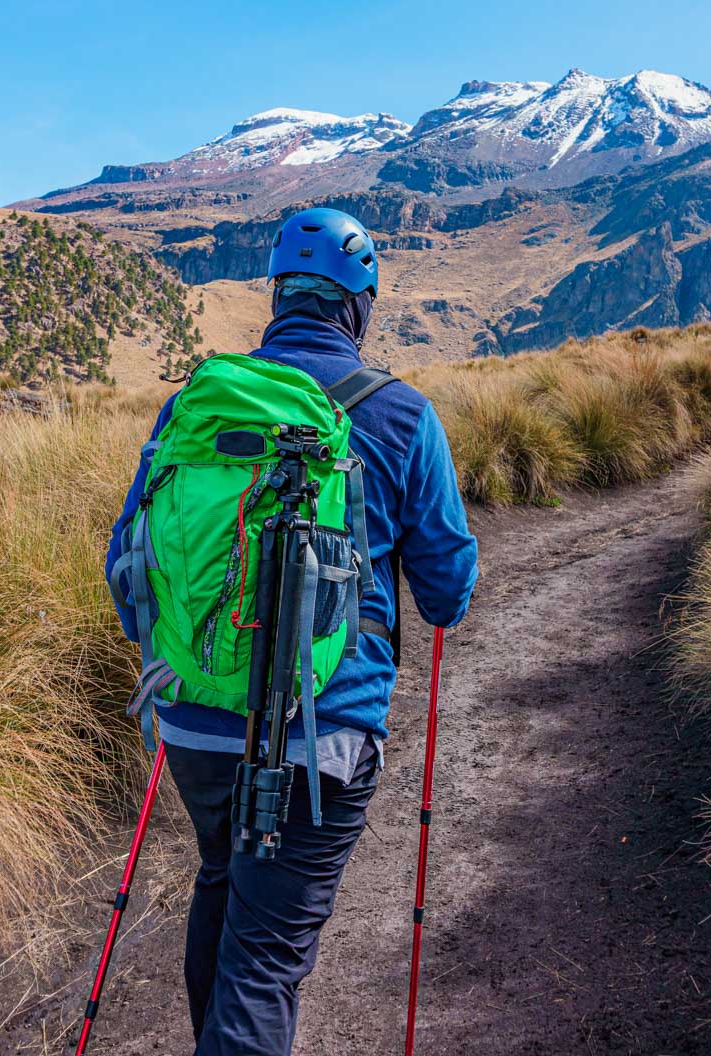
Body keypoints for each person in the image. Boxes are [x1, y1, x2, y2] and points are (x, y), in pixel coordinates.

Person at [105, 206, 478, 1055]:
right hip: (322, 734)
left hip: (192, 718)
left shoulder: (192, 407)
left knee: (223, 881)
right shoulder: (402, 415)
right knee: (267, 955)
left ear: (279, 295)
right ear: (360, 303)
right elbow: (446, 591)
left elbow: (126, 559)